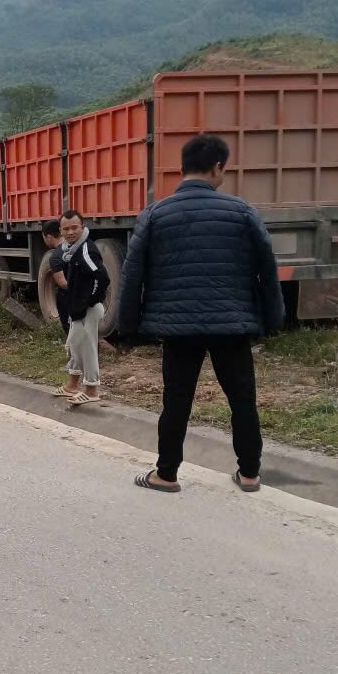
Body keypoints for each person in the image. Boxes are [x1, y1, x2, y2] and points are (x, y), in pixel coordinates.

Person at [117, 134, 284, 494]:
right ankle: (250, 474)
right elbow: (266, 268)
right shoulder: (241, 212)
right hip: (232, 325)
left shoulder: (155, 214)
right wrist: (273, 320)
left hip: (179, 329)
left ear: (183, 168)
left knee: (176, 400)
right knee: (242, 400)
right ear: (218, 167)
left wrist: (129, 329)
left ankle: (166, 474)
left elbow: (133, 274)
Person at [55, 210, 110, 406]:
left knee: (87, 348)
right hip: (78, 309)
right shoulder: (71, 249)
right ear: (60, 230)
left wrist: (91, 300)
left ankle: (92, 389)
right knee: (75, 346)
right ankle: (72, 385)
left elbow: (102, 277)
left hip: (88, 309)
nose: (70, 232)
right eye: (66, 228)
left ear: (83, 227)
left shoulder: (86, 249)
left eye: (74, 228)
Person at [42, 219, 70, 335]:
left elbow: (63, 283)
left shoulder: (55, 257)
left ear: (48, 237)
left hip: (69, 301)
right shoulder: (76, 247)